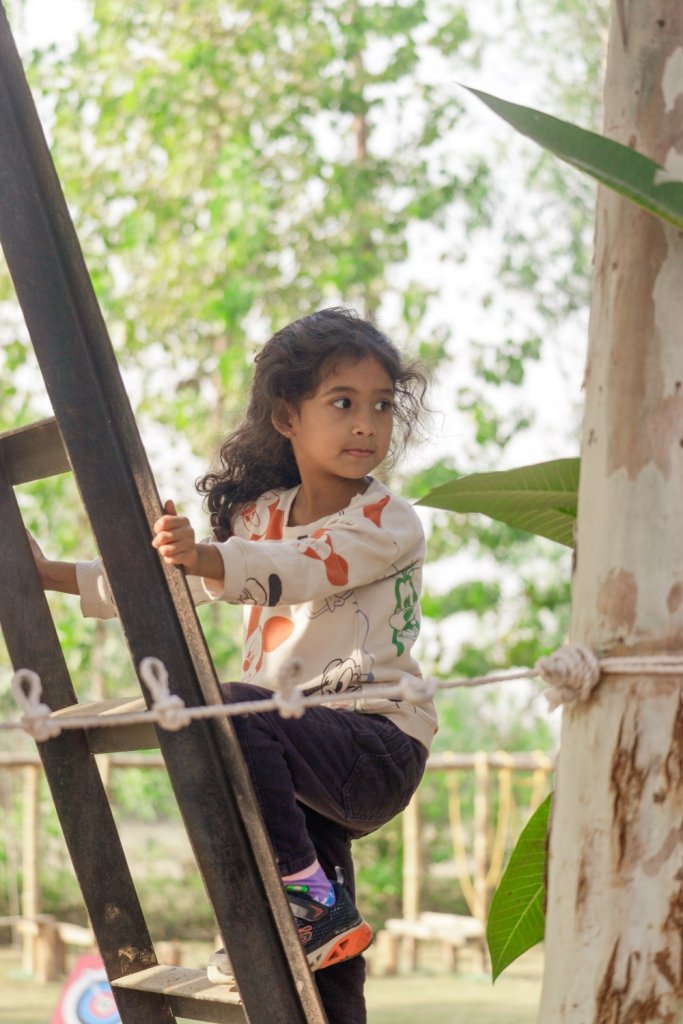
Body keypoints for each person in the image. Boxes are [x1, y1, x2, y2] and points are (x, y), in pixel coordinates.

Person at [31, 306, 437, 1024]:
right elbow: (170, 584)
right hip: (298, 757)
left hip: (372, 744)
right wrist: (54, 574)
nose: (366, 425)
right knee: (328, 962)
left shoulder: (388, 521)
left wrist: (211, 556)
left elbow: (306, 567)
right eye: (342, 404)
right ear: (287, 417)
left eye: (380, 406)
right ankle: (310, 907)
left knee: (232, 709)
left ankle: (302, 897)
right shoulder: (260, 517)